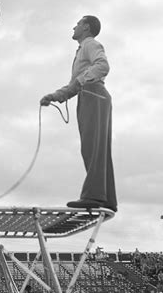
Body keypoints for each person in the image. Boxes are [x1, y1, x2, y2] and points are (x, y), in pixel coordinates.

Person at [40, 15, 117, 212]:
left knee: (93, 147)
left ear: (86, 27)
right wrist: (55, 95)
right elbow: (75, 85)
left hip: (93, 94)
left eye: (78, 23)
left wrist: (81, 81)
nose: (73, 27)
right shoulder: (83, 49)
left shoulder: (91, 44)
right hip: (91, 95)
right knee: (96, 148)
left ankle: (93, 196)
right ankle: (107, 198)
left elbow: (103, 66)